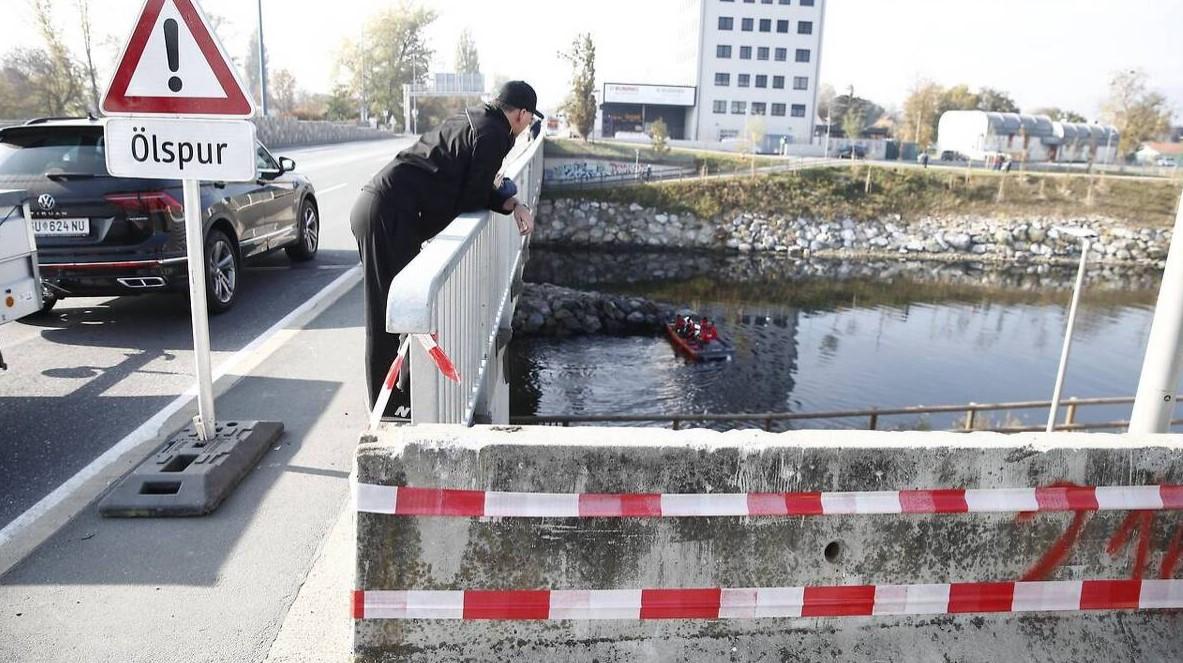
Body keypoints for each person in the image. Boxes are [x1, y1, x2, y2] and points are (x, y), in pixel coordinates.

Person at [350, 80, 543, 419]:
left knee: (406, 312)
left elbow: (475, 184)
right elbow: (472, 196)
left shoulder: (477, 120)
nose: (527, 125)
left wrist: (508, 199)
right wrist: (511, 203)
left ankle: (404, 395)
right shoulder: (495, 135)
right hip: (386, 213)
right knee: (384, 314)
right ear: (522, 114)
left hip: (386, 208)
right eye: (528, 119)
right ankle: (385, 410)